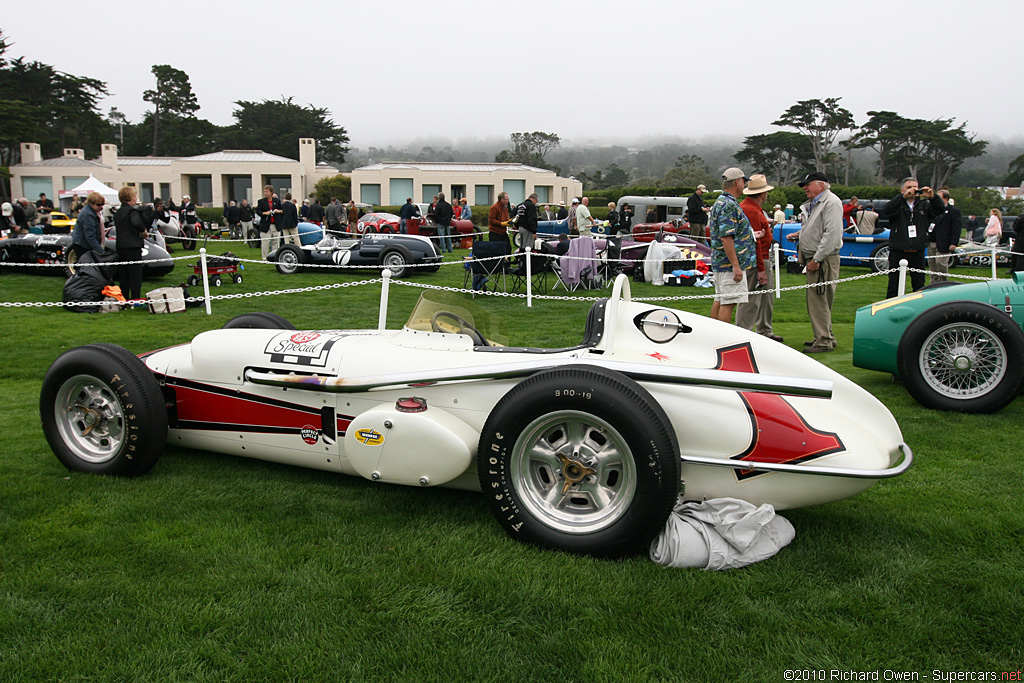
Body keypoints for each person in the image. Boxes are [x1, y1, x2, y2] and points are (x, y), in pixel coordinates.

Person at [794, 172, 843, 353]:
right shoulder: (817, 203)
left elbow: (832, 235)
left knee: (818, 299)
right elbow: (818, 228)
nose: (805, 188)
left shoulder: (831, 203)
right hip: (817, 257)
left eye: (808, 184)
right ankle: (825, 335)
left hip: (822, 259)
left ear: (821, 185)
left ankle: (823, 341)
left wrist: (816, 259)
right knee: (820, 299)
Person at [736, 175, 782, 342]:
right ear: (763, 194)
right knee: (752, 299)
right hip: (756, 260)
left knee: (764, 297)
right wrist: (761, 268)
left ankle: (764, 330)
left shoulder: (752, 208)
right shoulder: (751, 210)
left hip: (760, 258)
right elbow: (756, 242)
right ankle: (744, 333)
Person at [883, 178, 945, 299]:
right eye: (909, 187)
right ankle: (891, 309)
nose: (913, 190)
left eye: (915, 187)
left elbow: (939, 210)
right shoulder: (898, 205)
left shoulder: (924, 205)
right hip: (898, 248)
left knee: (919, 284)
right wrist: (903, 198)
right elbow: (887, 210)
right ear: (902, 190)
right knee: (894, 284)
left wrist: (933, 197)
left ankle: (918, 310)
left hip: (917, 250)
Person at [708, 168, 755, 324]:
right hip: (729, 264)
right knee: (728, 303)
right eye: (744, 181)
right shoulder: (728, 205)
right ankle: (723, 341)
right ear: (737, 182)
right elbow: (726, 237)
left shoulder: (721, 201)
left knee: (720, 299)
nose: (745, 184)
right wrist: (736, 265)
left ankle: (714, 338)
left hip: (721, 261)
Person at [113, 186, 148, 303]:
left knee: (123, 274)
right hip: (133, 245)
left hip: (121, 246)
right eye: (134, 196)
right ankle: (135, 298)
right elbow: (136, 222)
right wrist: (143, 231)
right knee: (135, 274)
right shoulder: (132, 211)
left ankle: (124, 297)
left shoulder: (117, 213)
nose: (135, 199)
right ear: (130, 198)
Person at [930, 190, 962, 284]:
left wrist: (954, 243)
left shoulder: (953, 211)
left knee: (941, 264)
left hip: (944, 242)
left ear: (946, 199)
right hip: (932, 241)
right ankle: (933, 284)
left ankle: (943, 283)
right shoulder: (933, 210)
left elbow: (956, 228)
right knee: (932, 265)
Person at [70, 192, 107, 261]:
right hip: (83, 246)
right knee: (85, 268)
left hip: (81, 243)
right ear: (91, 203)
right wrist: (101, 252)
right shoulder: (88, 215)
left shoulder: (91, 211)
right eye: (99, 205)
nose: (101, 207)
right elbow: (90, 237)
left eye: (103, 204)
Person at [256, 185, 283, 258]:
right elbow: (258, 211)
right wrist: (265, 213)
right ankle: (264, 258)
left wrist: (278, 211)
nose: (265, 193)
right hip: (266, 225)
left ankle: (275, 257)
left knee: (276, 242)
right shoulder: (261, 201)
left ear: (271, 192)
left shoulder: (277, 201)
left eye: (267, 191)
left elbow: (282, 210)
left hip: (276, 225)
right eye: (264, 191)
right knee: (265, 243)